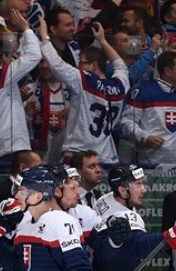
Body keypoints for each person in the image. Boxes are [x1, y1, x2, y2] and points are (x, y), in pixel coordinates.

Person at [88, 164, 176, 271]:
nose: (144, 189)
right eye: (138, 185)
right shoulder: (125, 215)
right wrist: (173, 235)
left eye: (143, 183)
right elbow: (143, 245)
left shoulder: (106, 199)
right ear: (122, 190)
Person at [39, 19, 129, 164]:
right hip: (106, 157)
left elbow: (56, 64)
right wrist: (102, 41)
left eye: (81, 62)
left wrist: (44, 36)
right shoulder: (120, 86)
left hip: (79, 156)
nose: (78, 66)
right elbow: (121, 67)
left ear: (93, 65)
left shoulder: (84, 79)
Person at [0, 9, 40, 162]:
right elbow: (34, 55)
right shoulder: (1, 75)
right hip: (7, 150)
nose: (12, 60)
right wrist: (26, 29)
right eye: (9, 57)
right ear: (4, 59)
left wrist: (19, 99)